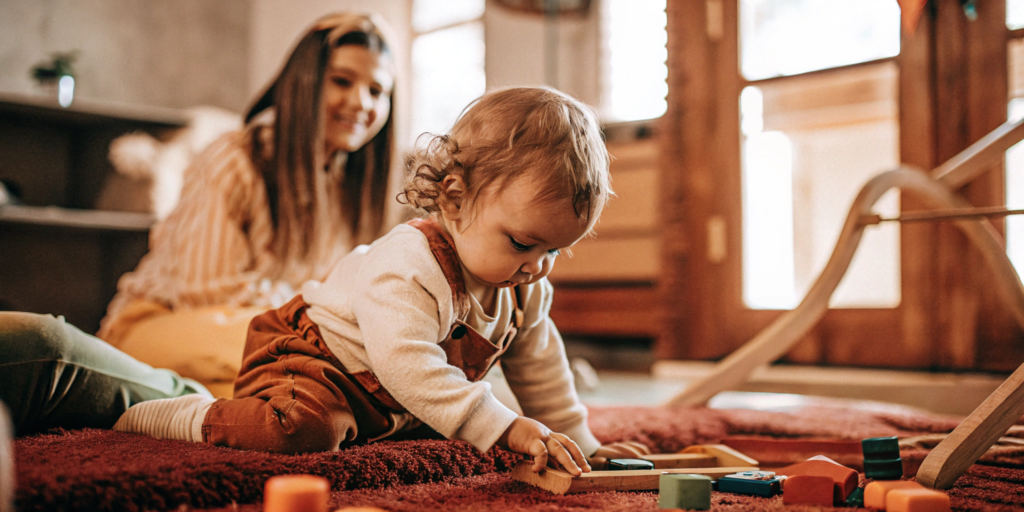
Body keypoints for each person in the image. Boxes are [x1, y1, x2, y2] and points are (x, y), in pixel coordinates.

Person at [112, 86, 647, 471]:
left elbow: (541, 366)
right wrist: (503, 427)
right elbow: (406, 363)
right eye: (524, 243)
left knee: (438, 417)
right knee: (305, 433)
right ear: (455, 200)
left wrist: (582, 442)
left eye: (558, 250)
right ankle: (191, 414)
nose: (539, 265)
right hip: (313, 361)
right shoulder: (410, 263)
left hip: (387, 398)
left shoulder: (524, 285)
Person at [0, 13, 398, 434]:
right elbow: (204, 290)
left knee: (325, 365)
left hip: (275, 335)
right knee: (325, 363)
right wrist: (311, 322)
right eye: (341, 81)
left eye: (377, 90)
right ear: (303, 83)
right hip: (163, 322)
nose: (361, 102)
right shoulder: (235, 156)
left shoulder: (352, 192)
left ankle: (218, 401)